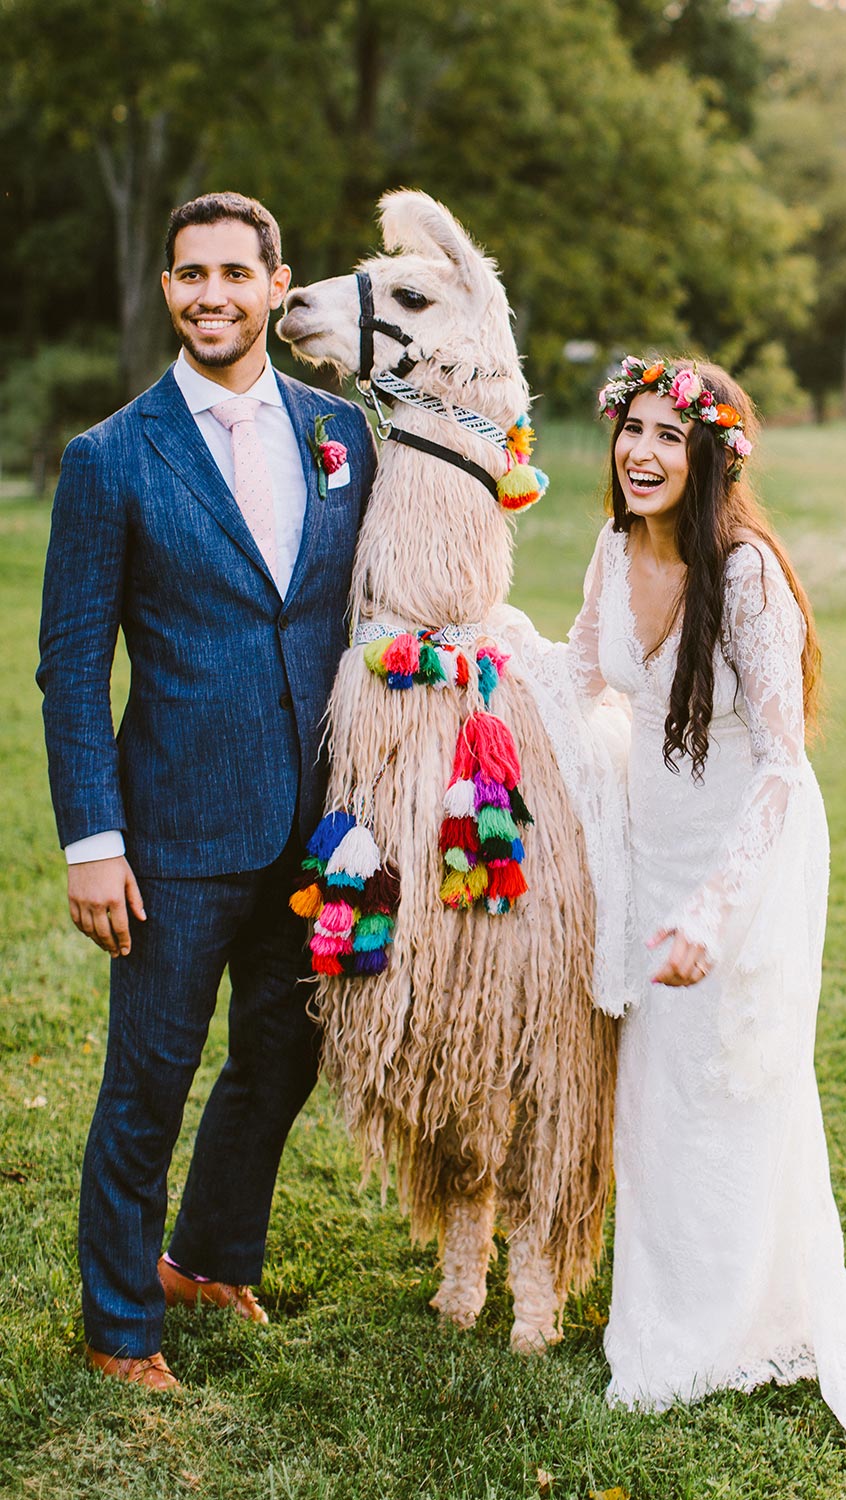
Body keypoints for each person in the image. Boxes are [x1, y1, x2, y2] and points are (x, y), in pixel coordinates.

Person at [567, 354, 846, 1460]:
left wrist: (717, 908)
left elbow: (779, 765)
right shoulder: (611, 553)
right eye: (633, 429)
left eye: (671, 435)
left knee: (728, 1083)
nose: (644, 452)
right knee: (655, 1098)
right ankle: (675, 1319)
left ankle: (724, 1333)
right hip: (648, 855)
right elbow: (575, 683)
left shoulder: (745, 571)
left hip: (742, 860)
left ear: (711, 456)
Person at [36, 191, 376, 1390]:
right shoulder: (109, 458)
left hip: (322, 828)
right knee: (149, 1081)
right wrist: (92, 840)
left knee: (283, 1058)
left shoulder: (346, 436)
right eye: (191, 275)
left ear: (280, 285)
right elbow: (71, 667)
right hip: (175, 829)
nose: (212, 294)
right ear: (169, 291)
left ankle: (210, 1256)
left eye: (237, 271)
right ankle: (121, 1325)